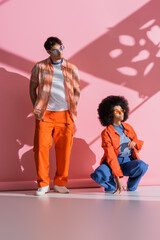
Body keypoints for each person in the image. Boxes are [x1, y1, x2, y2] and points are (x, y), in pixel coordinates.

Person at [30, 37, 80, 196]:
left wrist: (72, 107)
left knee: (64, 150)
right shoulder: (40, 67)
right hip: (45, 114)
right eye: (55, 50)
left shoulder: (71, 68)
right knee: (41, 150)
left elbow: (77, 90)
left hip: (65, 114)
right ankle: (43, 184)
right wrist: (37, 107)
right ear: (48, 52)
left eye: (61, 48)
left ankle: (60, 183)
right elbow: (32, 89)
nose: (59, 52)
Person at [90, 95, 148, 194]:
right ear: (109, 114)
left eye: (122, 110)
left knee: (142, 166)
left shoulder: (128, 127)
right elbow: (111, 156)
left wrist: (134, 143)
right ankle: (111, 185)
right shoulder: (106, 133)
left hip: (128, 161)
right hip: (111, 162)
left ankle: (132, 185)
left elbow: (137, 145)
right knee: (99, 175)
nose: (121, 112)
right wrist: (117, 179)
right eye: (117, 111)